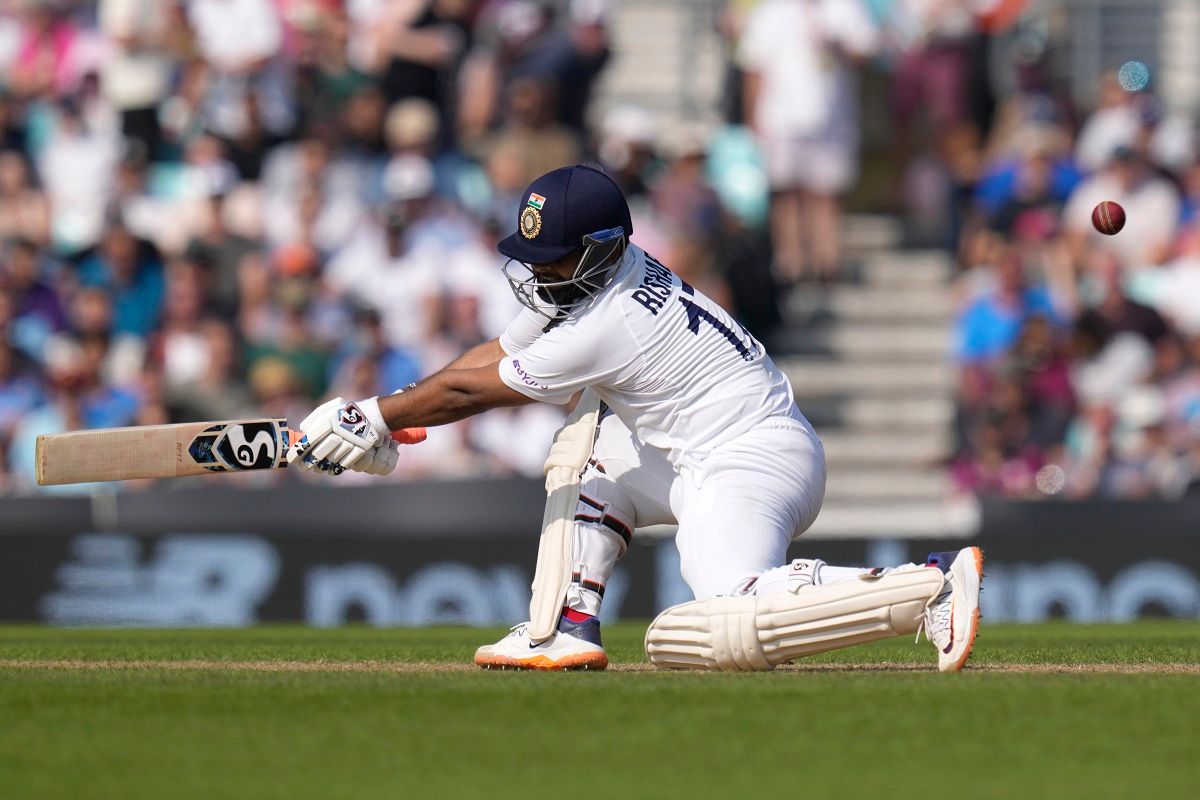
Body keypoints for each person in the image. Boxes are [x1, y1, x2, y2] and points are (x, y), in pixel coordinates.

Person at [287, 164, 983, 672]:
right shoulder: (592, 275)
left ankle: (927, 583)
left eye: (553, 257)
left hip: (750, 458)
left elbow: (478, 393)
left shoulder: (610, 320)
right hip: (691, 453)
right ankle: (567, 627)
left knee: (726, 609)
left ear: (598, 247)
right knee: (587, 461)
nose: (540, 273)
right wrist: (391, 415)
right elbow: (496, 353)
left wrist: (372, 414)